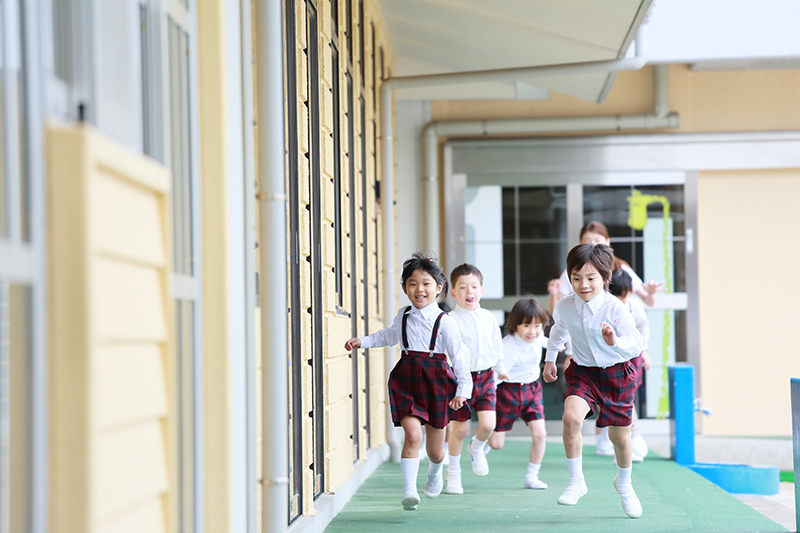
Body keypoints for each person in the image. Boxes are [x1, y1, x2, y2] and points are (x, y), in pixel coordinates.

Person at [344, 252, 472, 511]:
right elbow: (388, 335)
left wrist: (462, 390)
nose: (419, 289)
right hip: (406, 379)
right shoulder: (403, 315)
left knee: (436, 452)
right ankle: (409, 491)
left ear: (439, 288)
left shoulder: (445, 323)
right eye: (412, 284)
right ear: (404, 288)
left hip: (437, 382)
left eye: (426, 283)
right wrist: (363, 341)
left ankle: (435, 472)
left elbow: (459, 356)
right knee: (412, 436)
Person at [543, 243, 644, 519]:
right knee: (571, 419)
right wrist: (550, 359)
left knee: (619, 438)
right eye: (576, 278)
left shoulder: (615, 308)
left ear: (605, 278)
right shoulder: (565, 305)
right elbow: (557, 332)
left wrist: (615, 341)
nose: (583, 285)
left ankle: (624, 483)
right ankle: (577, 482)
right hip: (584, 371)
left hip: (617, 373)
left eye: (590, 278)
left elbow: (636, 344)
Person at [445, 264, 508, 494]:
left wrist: (501, 367)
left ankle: (477, 448)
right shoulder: (449, 320)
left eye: (473, 286)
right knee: (459, 430)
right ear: (453, 293)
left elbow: (496, 345)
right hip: (459, 381)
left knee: (488, 425)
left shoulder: (488, 318)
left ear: (481, 290)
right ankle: (453, 472)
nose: (468, 292)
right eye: (462, 287)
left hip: (486, 377)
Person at [487, 297, 549, 490]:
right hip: (508, 392)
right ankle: (481, 441)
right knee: (496, 444)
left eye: (538, 326)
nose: (533, 332)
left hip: (532, 390)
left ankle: (532, 476)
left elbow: (548, 342)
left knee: (540, 434)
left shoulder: (538, 336)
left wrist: (562, 346)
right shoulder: (508, 346)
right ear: (516, 325)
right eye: (527, 326)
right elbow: (495, 377)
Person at [547, 221, 662, 314]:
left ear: (607, 241)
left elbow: (648, 301)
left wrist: (651, 293)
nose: (593, 244)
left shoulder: (620, 267)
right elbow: (555, 311)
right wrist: (553, 293)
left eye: (597, 241)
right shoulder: (574, 271)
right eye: (587, 241)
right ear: (580, 243)